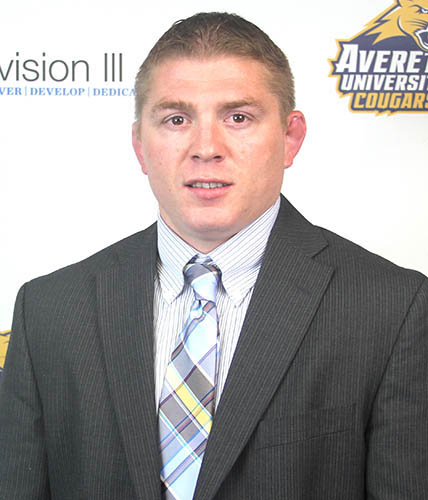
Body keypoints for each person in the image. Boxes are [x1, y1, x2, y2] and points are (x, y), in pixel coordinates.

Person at [0, 12, 427, 500]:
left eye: (238, 117)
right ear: (140, 145)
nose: (206, 148)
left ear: (290, 138)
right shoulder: (48, 310)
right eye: (176, 119)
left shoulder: (392, 309)